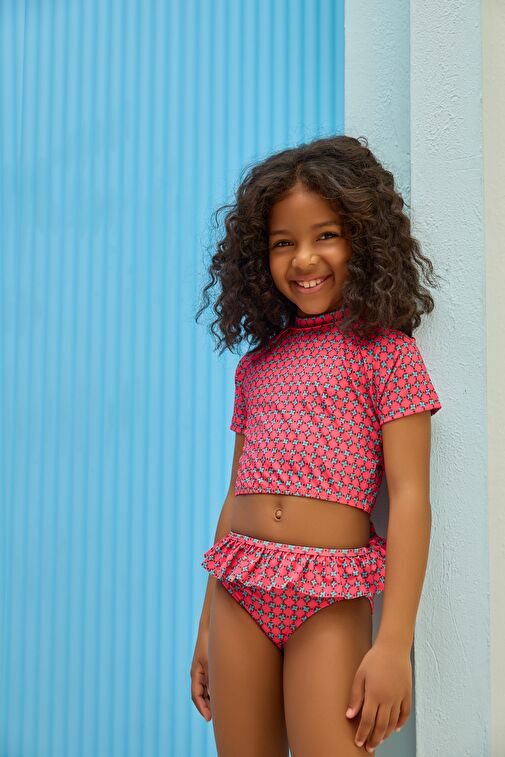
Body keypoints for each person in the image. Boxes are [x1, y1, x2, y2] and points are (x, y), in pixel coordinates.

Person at [191, 134, 442, 756]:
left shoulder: (387, 354)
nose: (304, 259)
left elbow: (410, 498)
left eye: (325, 235)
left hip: (329, 598)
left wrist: (394, 644)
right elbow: (236, 491)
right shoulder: (257, 365)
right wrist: (206, 624)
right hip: (238, 592)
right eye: (283, 242)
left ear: (364, 238)